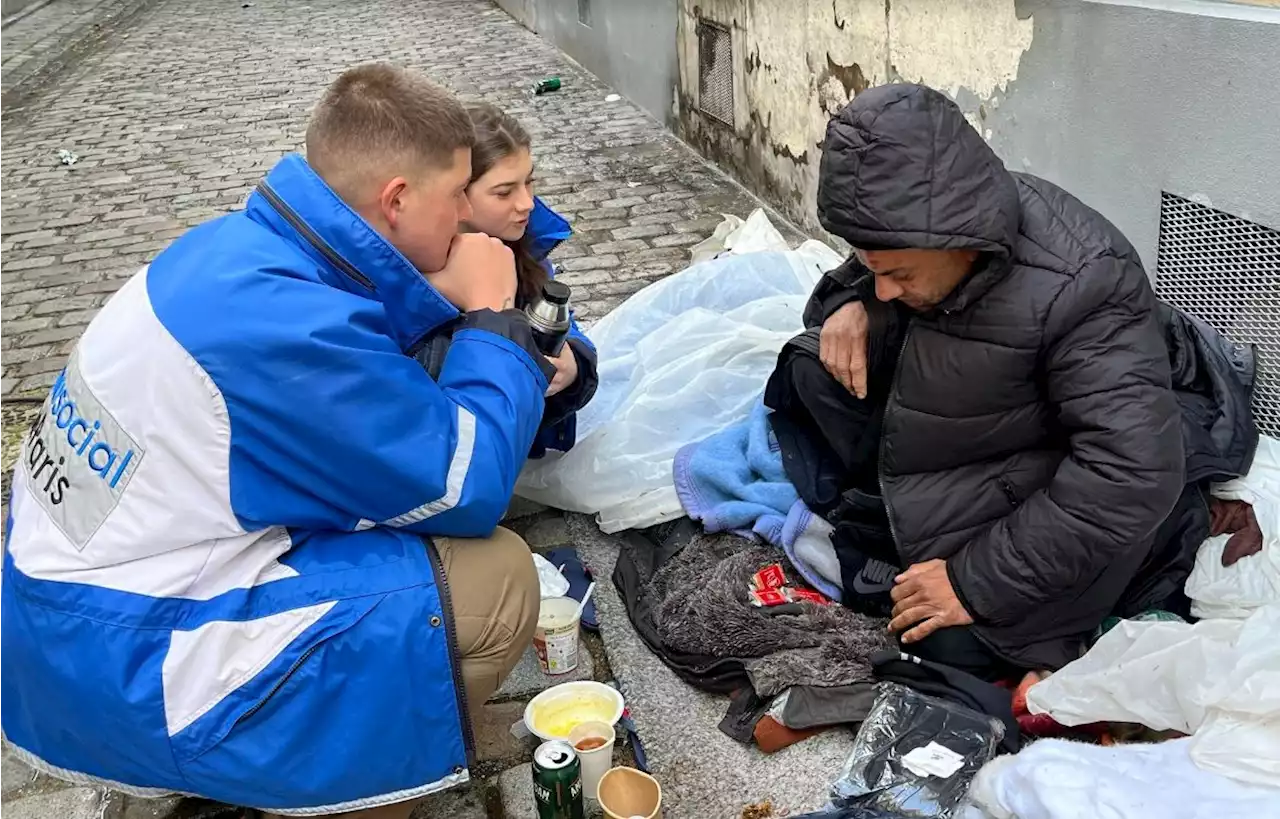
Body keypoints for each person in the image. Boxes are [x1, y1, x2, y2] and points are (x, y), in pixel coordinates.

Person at [0, 64, 552, 819]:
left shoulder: (240, 252)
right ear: (394, 199)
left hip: (70, 615)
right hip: (124, 655)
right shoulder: (285, 326)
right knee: (497, 581)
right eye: (457, 193)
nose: (467, 215)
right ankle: (345, 794)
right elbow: (466, 484)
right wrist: (494, 317)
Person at [768, 83, 1197, 679]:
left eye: (898, 273)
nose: (885, 285)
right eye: (875, 268)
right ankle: (894, 521)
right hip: (959, 424)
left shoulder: (1085, 280)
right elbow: (861, 280)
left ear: (960, 240)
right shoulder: (923, 219)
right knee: (808, 369)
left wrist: (971, 582)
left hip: (1035, 466)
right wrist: (858, 302)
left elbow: (1131, 473)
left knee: (937, 641)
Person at [415, 102, 597, 457]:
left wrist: (574, 365)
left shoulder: (526, 247)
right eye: (504, 192)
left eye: (529, 181)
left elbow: (569, 332)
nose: (527, 202)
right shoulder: (414, 275)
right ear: (457, 194)